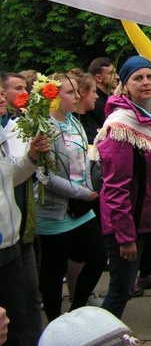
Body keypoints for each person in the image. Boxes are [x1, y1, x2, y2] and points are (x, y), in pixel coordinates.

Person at [95, 56, 151, 346]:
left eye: (149, 77)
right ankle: (94, 339)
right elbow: (115, 187)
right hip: (128, 226)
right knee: (120, 291)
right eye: (137, 78)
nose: (145, 82)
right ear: (125, 86)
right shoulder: (120, 125)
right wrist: (124, 236)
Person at [36, 73, 107, 322]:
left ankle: (76, 309)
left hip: (81, 207)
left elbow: (83, 162)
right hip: (56, 212)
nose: (77, 96)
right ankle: (56, 323)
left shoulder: (75, 121)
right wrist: (83, 193)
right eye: (70, 92)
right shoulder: (44, 128)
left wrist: (88, 187)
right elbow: (45, 177)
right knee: (53, 274)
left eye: (78, 91)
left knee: (98, 258)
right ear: (54, 96)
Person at [0, 90, 50, 346]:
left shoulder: (2, 135)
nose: (0, 98)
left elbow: (10, 179)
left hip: (11, 242)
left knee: (19, 320)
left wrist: (31, 156)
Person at [80, 58, 119, 145]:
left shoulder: (109, 98)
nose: (117, 77)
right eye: (111, 73)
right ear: (98, 78)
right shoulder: (96, 102)